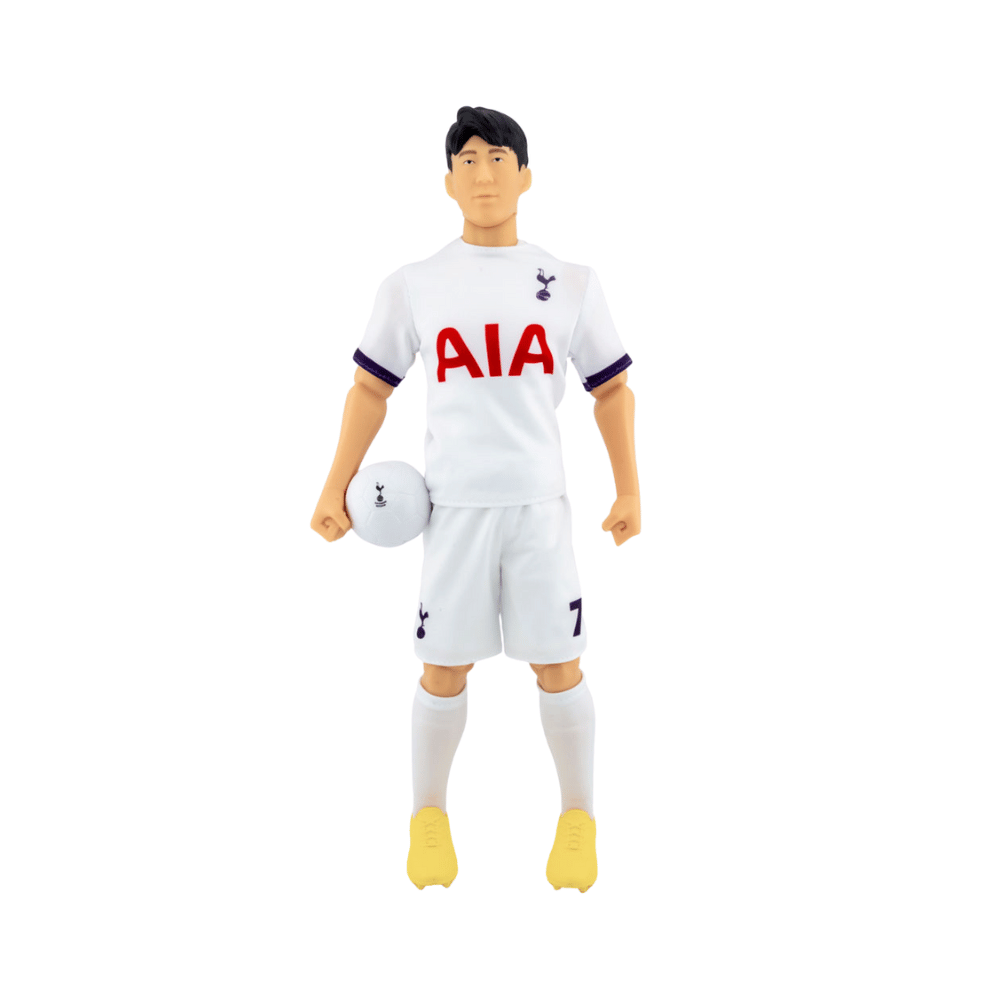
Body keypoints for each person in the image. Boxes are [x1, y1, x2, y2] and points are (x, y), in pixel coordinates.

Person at [311, 106, 640, 892]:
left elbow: (613, 388)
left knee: (560, 663)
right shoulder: (414, 285)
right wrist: (334, 483)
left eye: (498, 159)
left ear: (526, 176)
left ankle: (579, 818)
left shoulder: (571, 282)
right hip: (452, 511)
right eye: (467, 161)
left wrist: (629, 486)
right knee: (442, 667)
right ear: (447, 183)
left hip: (539, 509)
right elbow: (370, 387)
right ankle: (428, 817)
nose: (483, 174)